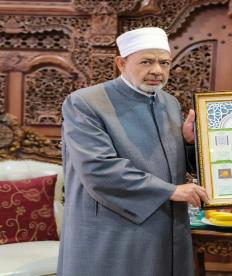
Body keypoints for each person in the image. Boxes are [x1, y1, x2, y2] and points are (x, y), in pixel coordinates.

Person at [57, 27, 209, 276]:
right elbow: (98, 168)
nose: (157, 71)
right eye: (146, 62)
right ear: (121, 63)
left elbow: (169, 161)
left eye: (164, 63)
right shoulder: (85, 103)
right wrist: (171, 191)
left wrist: (188, 143)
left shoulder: (168, 103)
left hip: (165, 226)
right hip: (113, 227)